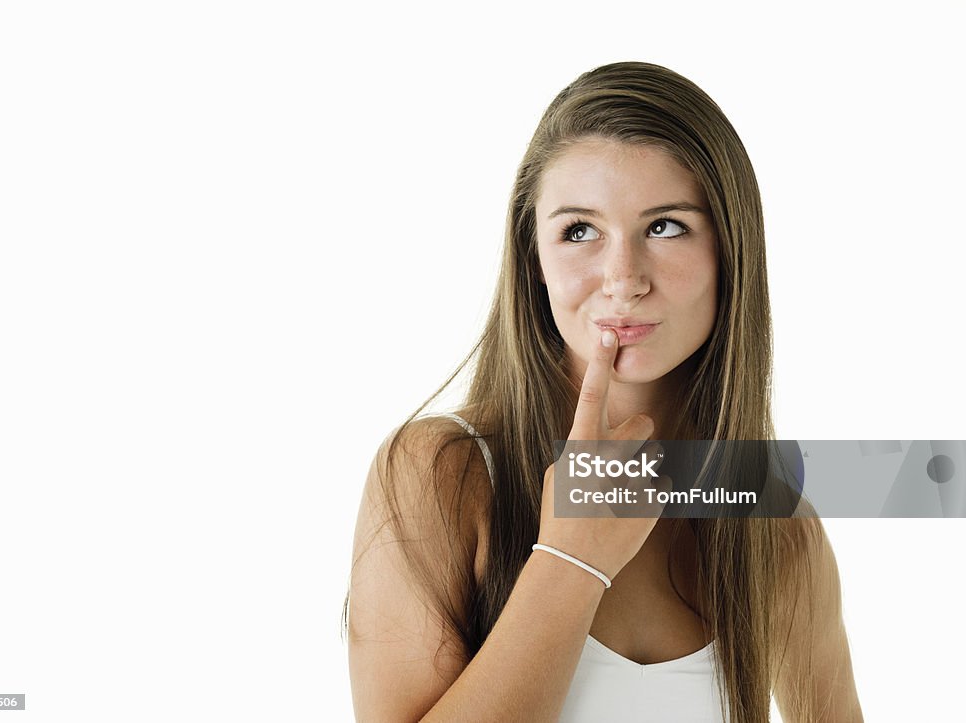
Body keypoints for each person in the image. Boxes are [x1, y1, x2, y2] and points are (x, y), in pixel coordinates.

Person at [343, 62, 863, 722]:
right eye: (579, 230)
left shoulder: (776, 527)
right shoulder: (440, 474)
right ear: (534, 256)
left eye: (666, 225)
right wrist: (569, 558)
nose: (623, 279)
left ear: (731, 248)